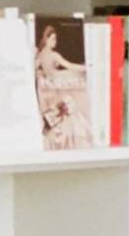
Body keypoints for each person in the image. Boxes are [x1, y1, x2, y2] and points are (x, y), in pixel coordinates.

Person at [34, 21, 92, 149]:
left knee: (60, 114)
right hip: (57, 86)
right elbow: (69, 65)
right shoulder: (53, 55)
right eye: (53, 39)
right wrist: (85, 67)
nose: (55, 42)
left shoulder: (40, 55)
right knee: (69, 112)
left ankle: (59, 140)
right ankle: (69, 141)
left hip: (48, 88)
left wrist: (41, 74)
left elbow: (34, 68)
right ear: (46, 39)